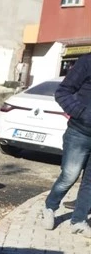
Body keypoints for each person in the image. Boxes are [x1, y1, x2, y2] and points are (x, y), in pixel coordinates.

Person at [41, 53, 91, 237]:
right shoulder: (87, 61)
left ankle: (79, 221)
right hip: (79, 132)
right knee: (69, 175)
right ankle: (50, 207)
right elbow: (63, 92)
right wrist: (81, 113)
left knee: (90, 183)